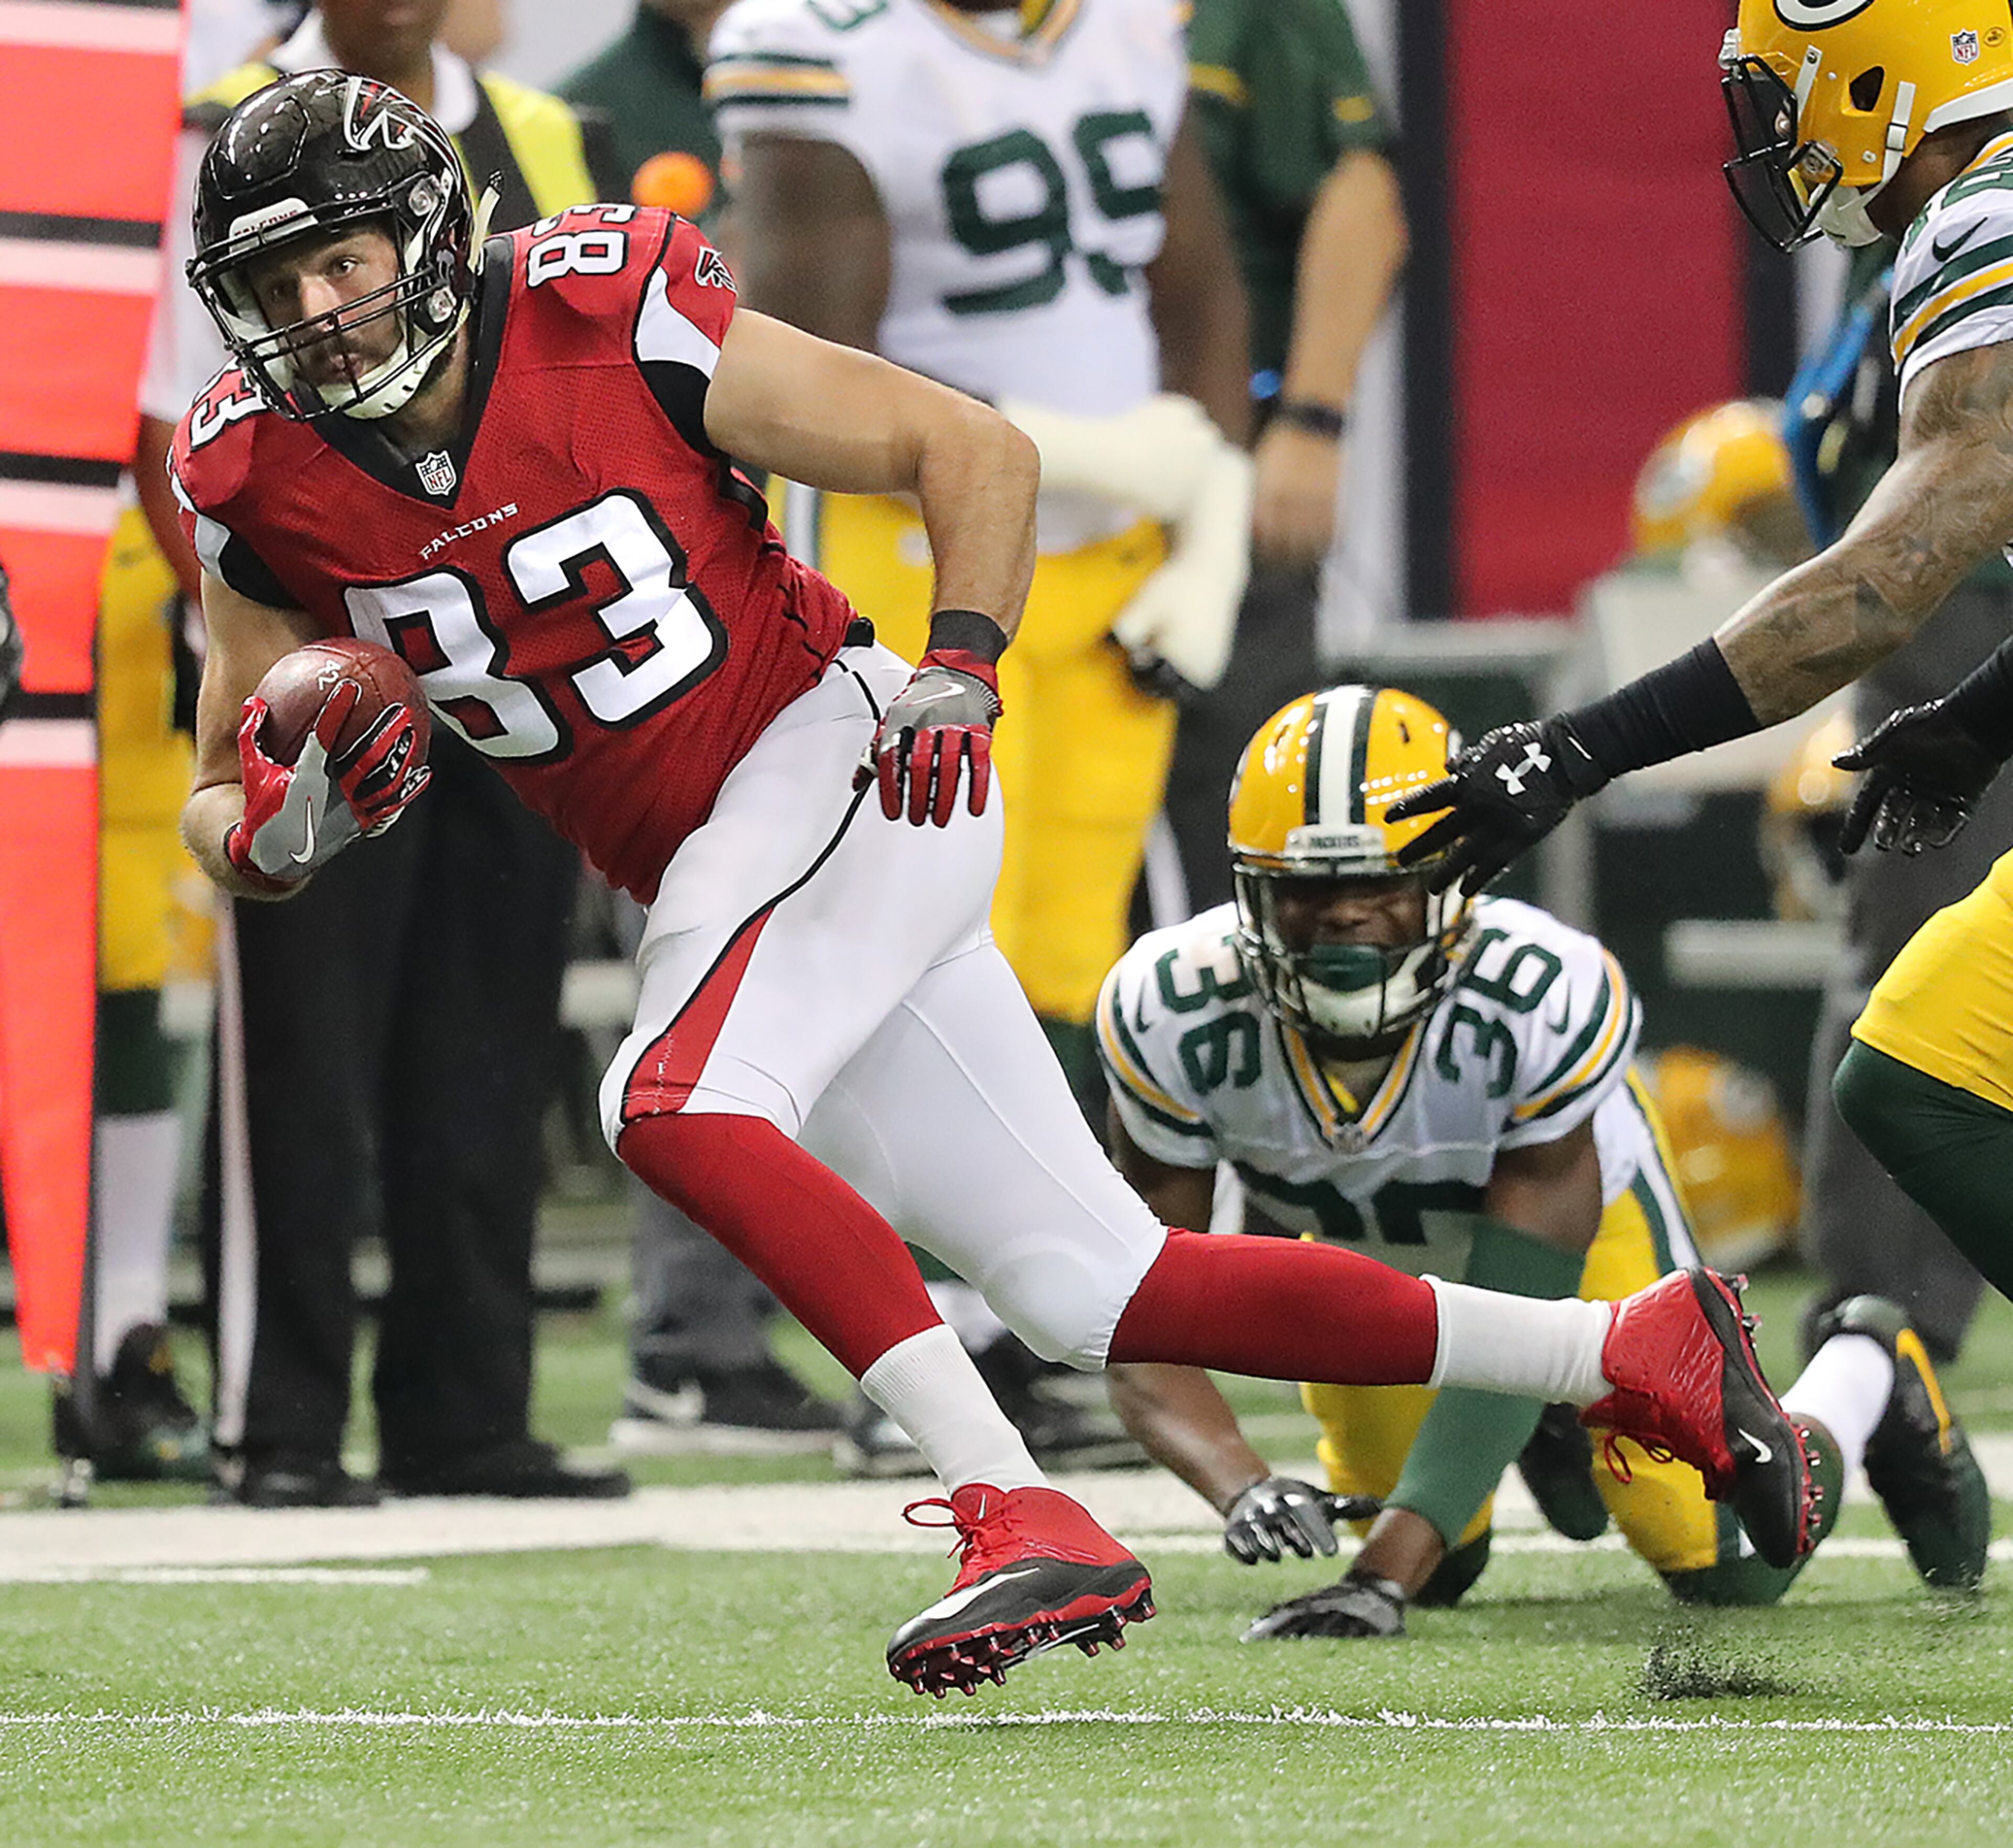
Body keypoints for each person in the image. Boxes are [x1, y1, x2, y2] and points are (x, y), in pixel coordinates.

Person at [172, 72, 1809, 1696]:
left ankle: (1010, 1500)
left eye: (345, 260)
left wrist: (963, 658)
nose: (317, 312)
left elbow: (967, 447)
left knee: (667, 1102)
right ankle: (1631, 1346)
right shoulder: (253, 472)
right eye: (274, 286)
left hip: (848, 759)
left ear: (435, 233)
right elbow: (218, 794)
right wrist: (284, 828)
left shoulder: (599, 309)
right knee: (1100, 1286)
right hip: (738, 873)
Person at [1382, 0, 2013, 1365]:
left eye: (1796, 96)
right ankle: (1880, 1344)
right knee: (1908, 1059)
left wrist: (1576, 749)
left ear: (1879, 78)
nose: (1782, 136)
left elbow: (1874, 586)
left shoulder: (1988, 217)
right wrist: (1975, 724)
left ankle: (1879, 1338)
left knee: (1913, 1060)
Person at [1102, 685, 1988, 1639]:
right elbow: (1138, 1309)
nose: (1346, 916)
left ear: (1450, 876)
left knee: (1721, 1556)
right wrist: (1241, 1489)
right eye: (1308, 887)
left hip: (1573, 1246)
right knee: (1447, 1561)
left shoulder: (1536, 994)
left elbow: (1531, 1311)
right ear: (1251, 892)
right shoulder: (1172, 1007)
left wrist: (1383, 1574)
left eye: (1385, 881)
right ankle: (1550, 1439)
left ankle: (1866, 1366)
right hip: (1368, 1268)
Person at [708, 0, 1249, 1472]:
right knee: (896, 943)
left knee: (1073, 950)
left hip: (1111, 565)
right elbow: (821, 349)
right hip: (912, 549)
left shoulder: (1131, 28)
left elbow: (1196, 288)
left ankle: (1028, 1319)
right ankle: (910, 1341)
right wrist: (1103, 452)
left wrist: (1214, 516)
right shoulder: (816, 35)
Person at [146, 2, 628, 1507]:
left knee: (486, 1038)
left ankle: (464, 1406)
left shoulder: (546, 133)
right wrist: (266, 638)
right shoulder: (223, 122)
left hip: (515, 643)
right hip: (319, 651)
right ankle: (275, 1415)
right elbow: (183, 421)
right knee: (301, 1048)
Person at [560, 0, 842, 1457]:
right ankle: (688, 1341)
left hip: (785, 588)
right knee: (698, 1006)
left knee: (816, 1001)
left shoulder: (839, 52)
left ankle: (818, 1323)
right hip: (635, 641)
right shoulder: (596, 107)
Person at [1160, 0, 1409, 913]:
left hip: (1211, 481)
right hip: (1010, 487)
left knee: (1244, 842)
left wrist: (1312, 421)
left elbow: (1359, 189)